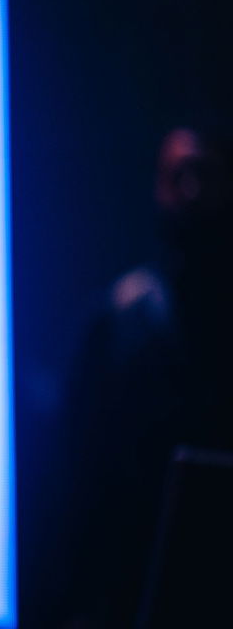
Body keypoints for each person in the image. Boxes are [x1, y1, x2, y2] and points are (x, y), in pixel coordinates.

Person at [61, 124, 233, 627]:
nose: (192, 191)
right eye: (178, 175)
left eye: (204, 174)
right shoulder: (117, 323)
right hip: (128, 591)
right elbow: (80, 485)